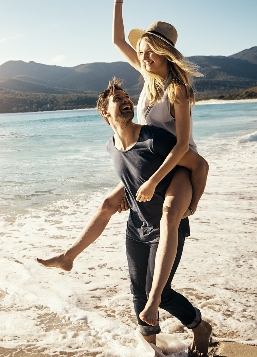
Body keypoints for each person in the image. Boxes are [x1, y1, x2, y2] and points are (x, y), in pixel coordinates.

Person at [37, 80, 212, 357]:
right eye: (117, 99)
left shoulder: (154, 139)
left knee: (161, 294)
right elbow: (129, 182)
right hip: (136, 228)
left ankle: (199, 326)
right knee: (138, 296)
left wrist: (192, 205)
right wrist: (126, 197)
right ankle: (151, 351)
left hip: (168, 226)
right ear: (105, 113)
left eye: (126, 96)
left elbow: (200, 165)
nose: (126, 100)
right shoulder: (112, 147)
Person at [112, 0, 209, 328]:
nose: (143, 56)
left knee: (171, 214)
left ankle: (157, 302)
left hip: (180, 161)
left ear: (165, 52)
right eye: (142, 52)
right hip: (154, 154)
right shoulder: (149, 75)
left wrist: (153, 182)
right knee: (113, 201)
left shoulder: (176, 88)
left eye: (150, 51)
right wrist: (119, 1)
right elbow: (118, 41)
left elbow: (183, 143)